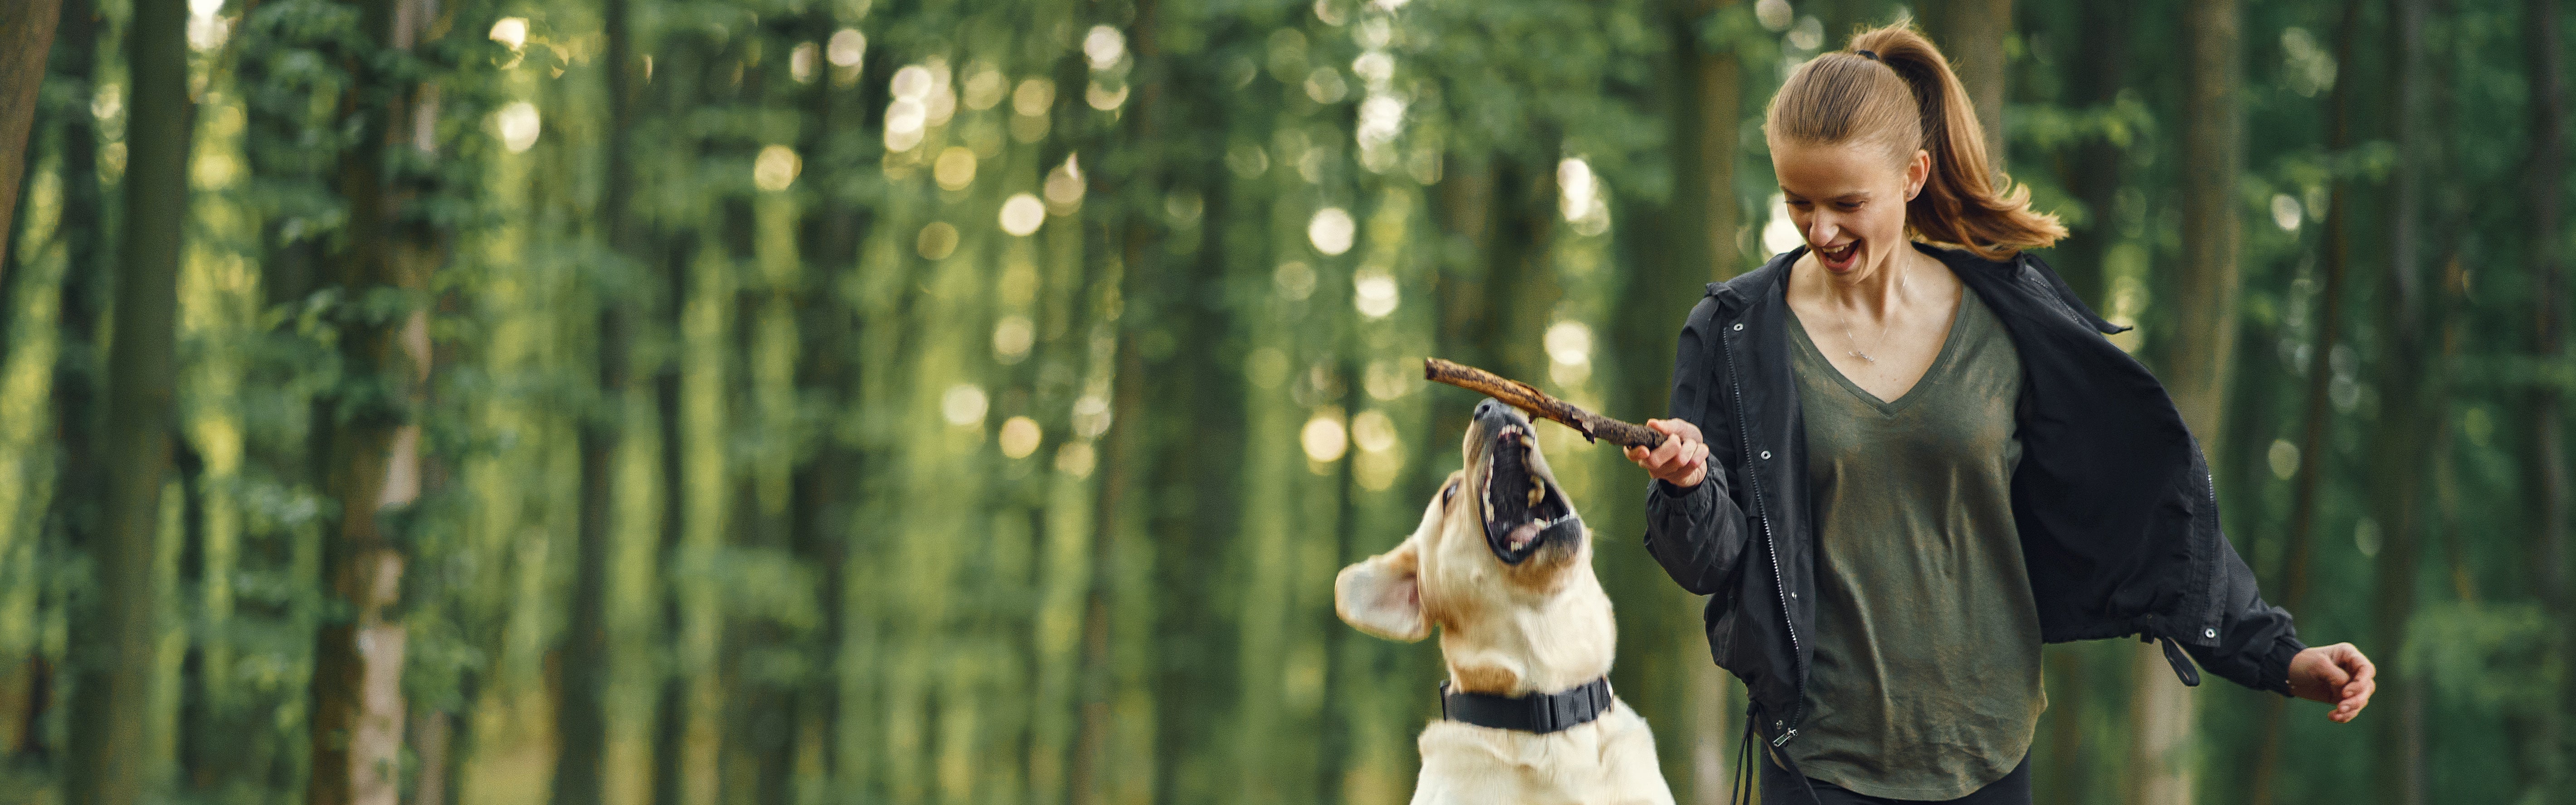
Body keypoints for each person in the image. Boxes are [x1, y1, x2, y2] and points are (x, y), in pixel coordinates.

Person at [1622, 22, 2377, 805]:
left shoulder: (2012, 315)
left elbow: (2147, 500)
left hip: (1987, 754)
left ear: (1912, 176)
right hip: (1816, 761)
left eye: (1847, 203)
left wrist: (2276, 656)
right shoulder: (1734, 333)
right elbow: (1707, 562)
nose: (1821, 231)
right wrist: (1684, 487)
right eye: (1797, 203)